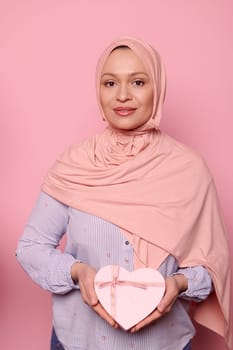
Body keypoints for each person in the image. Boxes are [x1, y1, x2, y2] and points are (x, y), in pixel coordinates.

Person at [16, 37, 231, 350]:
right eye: (110, 82)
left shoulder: (189, 170)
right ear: (98, 90)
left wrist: (178, 284)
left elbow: (213, 266)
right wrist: (76, 272)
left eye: (139, 82)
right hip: (78, 342)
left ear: (156, 88)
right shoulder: (75, 165)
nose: (123, 95)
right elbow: (31, 247)